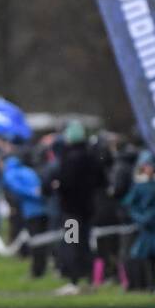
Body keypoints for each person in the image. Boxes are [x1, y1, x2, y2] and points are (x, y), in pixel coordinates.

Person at [51, 121, 106, 294]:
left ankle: (74, 281)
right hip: (88, 209)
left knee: (71, 244)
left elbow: (65, 183)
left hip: (71, 211)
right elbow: (101, 181)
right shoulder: (92, 157)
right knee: (85, 245)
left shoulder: (69, 159)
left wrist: (57, 186)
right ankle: (90, 280)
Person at [122, 151, 155, 291]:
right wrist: (140, 217)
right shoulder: (140, 184)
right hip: (147, 224)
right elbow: (130, 203)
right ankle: (150, 283)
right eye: (145, 166)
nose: (148, 168)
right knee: (146, 254)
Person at [2, 154, 49, 278]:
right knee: (44, 240)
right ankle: (43, 267)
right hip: (44, 208)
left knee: (36, 241)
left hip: (31, 210)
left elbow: (18, 189)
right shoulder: (29, 171)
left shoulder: (11, 174)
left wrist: (35, 195)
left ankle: (36, 271)